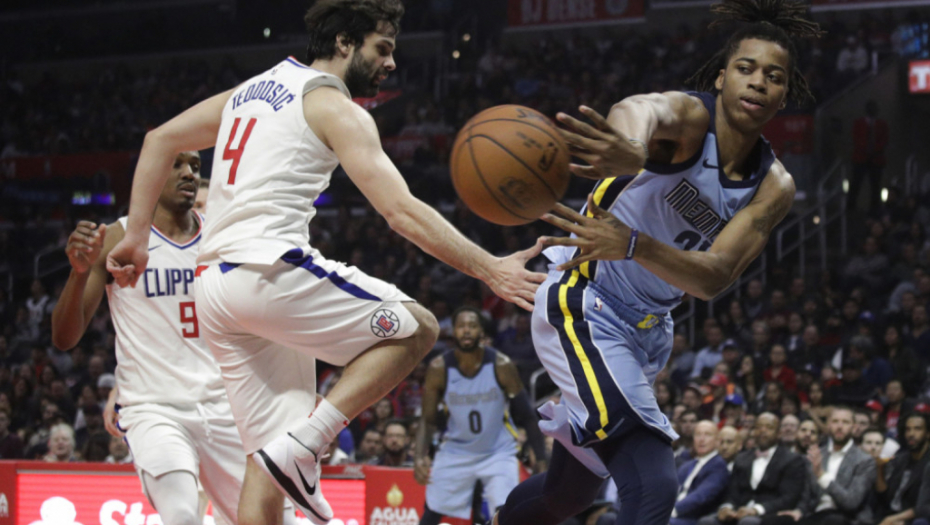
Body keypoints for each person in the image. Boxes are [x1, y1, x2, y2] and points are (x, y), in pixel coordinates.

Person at [104, 2, 544, 524]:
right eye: (383, 48)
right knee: (417, 328)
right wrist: (491, 268)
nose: (391, 63)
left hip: (214, 291)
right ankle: (309, 444)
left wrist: (136, 236)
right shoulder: (333, 105)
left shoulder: (253, 89)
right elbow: (401, 212)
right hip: (264, 270)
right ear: (344, 42)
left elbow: (159, 139)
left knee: (263, 465)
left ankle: (293, 451)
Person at [495, 1, 822, 522]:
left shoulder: (774, 185)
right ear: (721, 78)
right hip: (586, 300)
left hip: (649, 332)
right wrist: (630, 147)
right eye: (746, 68)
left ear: (784, 96)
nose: (759, 82)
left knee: (567, 496)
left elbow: (714, 277)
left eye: (774, 77)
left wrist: (634, 244)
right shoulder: (691, 121)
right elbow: (642, 107)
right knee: (653, 484)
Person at [50, 151, 256, 525]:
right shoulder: (117, 238)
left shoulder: (225, 238)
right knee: (182, 516)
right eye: (176, 164)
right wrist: (79, 274)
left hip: (226, 407)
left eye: (195, 166)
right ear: (148, 174)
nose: (188, 173)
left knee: (265, 519)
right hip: (154, 408)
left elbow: (261, 326)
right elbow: (65, 338)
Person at [415, 307, 546, 525]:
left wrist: (541, 457)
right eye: (461, 326)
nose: (466, 331)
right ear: (453, 331)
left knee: (506, 513)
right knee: (433, 511)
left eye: (472, 326)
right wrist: (420, 455)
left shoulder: (501, 365)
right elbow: (427, 419)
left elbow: (527, 415)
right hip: (456, 450)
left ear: (482, 332)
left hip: (498, 450)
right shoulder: (439, 368)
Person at [699, 413, 807, 525]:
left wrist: (756, 510)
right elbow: (732, 493)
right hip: (740, 512)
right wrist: (726, 507)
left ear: (779, 433)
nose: (763, 431)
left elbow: (789, 498)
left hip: (770, 515)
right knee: (706, 522)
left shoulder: (791, 460)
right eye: (759, 427)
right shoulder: (741, 458)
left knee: (748, 522)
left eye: (769, 427)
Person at [794, 407, 877, 525]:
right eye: (835, 421)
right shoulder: (817, 454)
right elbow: (806, 496)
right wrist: (798, 511)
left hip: (849, 518)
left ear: (854, 428)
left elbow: (851, 503)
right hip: (816, 514)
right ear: (828, 426)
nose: (839, 426)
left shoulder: (865, 460)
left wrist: (822, 475)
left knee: (833, 520)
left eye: (845, 422)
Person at [672, 421, 730, 525]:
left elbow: (701, 496)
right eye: (698, 434)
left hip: (695, 518)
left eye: (707, 435)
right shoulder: (686, 465)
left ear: (717, 441)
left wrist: (674, 510)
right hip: (674, 514)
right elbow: (671, 491)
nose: (701, 439)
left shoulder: (719, 466)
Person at [876, 413, 930, 525]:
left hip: (915, 519)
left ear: (928, 433)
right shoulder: (900, 459)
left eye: (917, 429)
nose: (911, 434)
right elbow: (884, 496)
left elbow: (925, 507)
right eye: (908, 429)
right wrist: (880, 468)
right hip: (889, 514)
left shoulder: (927, 463)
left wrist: (896, 519)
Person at [849, 99, 888, 215]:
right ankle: (850, 207)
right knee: (856, 183)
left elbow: (884, 140)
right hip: (861, 157)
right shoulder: (859, 123)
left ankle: (874, 209)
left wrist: (874, 150)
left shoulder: (882, 124)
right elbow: (856, 139)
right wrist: (866, 149)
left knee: (875, 185)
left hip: (876, 158)